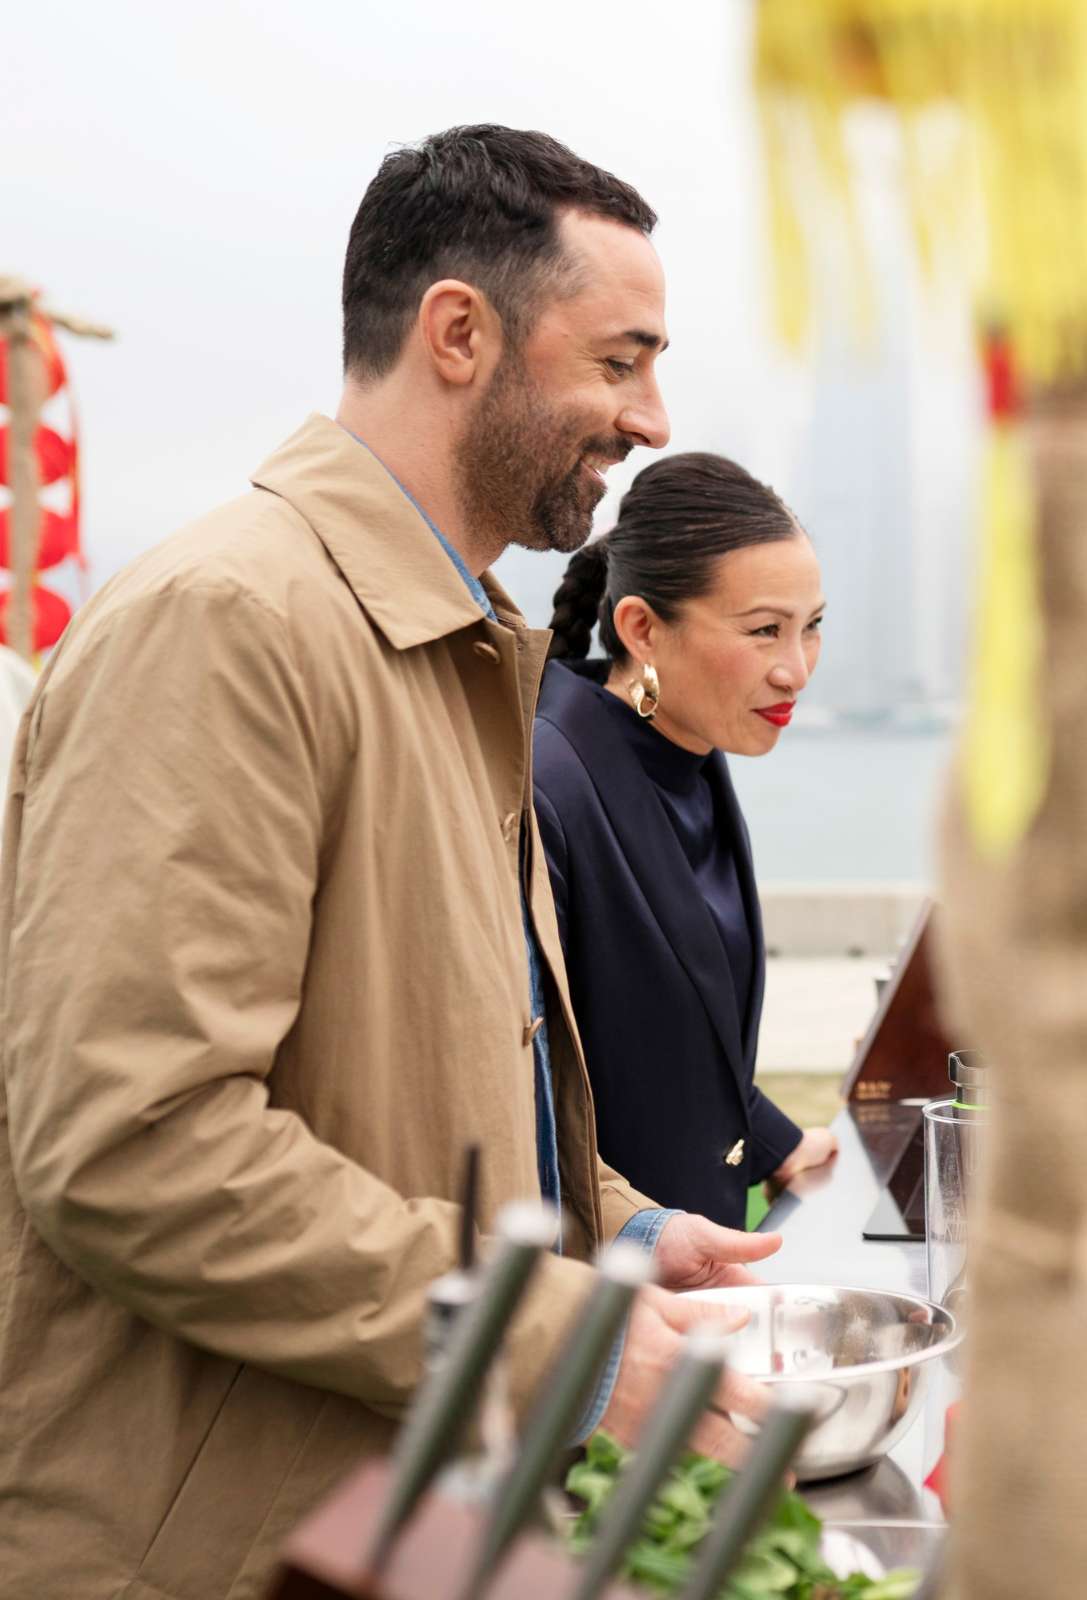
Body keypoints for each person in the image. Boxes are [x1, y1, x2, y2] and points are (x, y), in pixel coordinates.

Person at [0, 126, 781, 1600]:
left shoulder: (451, 647)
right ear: (459, 333)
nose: (651, 417)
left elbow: (419, 1088)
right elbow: (135, 1145)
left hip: (397, 1522)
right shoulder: (230, 626)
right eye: (620, 362)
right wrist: (559, 1340)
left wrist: (619, 1228)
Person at [535, 452, 838, 1228]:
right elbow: (528, 1096)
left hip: (700, 1260)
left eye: (810, 627)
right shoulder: (549, 787)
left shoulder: (689, 749)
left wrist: (776, 1144)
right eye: (764, 630)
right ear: (642, 629)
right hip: (607, 1274)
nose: (796, 671)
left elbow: (667, 1041)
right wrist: (643, 1240)